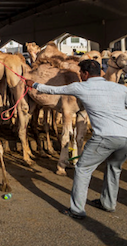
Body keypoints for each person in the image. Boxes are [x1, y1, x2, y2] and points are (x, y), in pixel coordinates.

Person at [25, 59, 127, 219]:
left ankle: (77, 210)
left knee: (82, 169)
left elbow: (53, 90)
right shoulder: (119, 88)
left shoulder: (80, 86)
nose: (79, 75)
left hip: (104, 137)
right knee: (114, 169)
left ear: (86, 74)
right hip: (124, 137)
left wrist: (34, 84)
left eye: (81, 73)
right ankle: (108, 203)